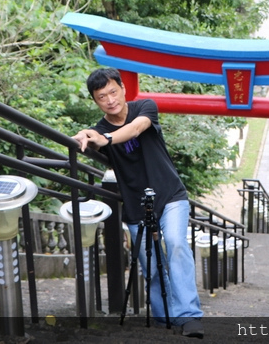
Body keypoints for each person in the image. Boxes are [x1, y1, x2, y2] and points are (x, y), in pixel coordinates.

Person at [73, 68, 204, 338]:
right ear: (95, 101)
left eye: (112, 91)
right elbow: (89, 138)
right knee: (151, 265)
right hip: (135, 204)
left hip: (170, 195)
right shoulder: (98, 131)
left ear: (122, 88)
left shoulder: (144, 107)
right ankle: (164, 317)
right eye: (101, 97)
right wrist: (86, 136)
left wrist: (105, 139)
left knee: (177, 245)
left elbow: (135, 129)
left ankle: (190, 317)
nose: (110, 100)